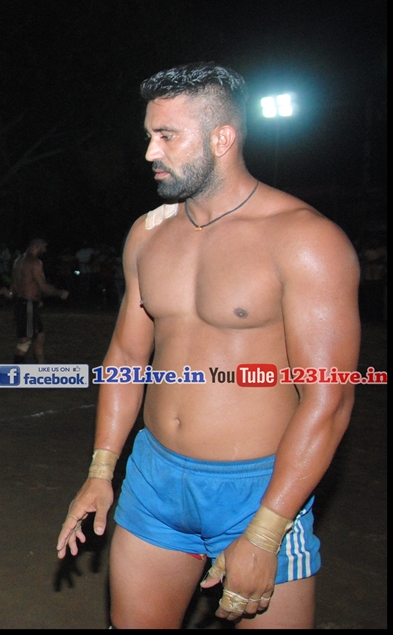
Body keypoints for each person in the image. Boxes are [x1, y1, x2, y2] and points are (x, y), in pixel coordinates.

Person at [56, 63, 360, 628]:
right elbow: (127, 358)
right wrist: (101, 469)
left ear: (223, 138)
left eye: (167, 136)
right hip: (153, 478)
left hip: (260, 490)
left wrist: (266, 530)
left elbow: (330, 398)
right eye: (149, 135)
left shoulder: (305, 238)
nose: (150, 152)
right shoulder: (148, 234)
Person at [10, 237, 69, 362]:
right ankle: (16, 369)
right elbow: (43, 287)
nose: (45, 250)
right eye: (44, 246)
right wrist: (60, 292)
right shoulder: (35, 263)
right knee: (25, 340)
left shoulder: (18, 261)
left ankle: (41, 368)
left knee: (39, 337)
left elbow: (16, 286)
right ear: (38, 246)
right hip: (28, 304)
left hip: (24, 303)